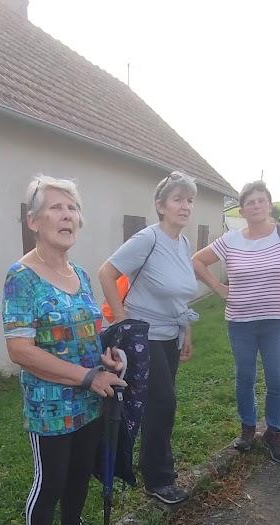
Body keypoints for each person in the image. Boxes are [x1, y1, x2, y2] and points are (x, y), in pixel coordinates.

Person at [3, 174, 126, 525]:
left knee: (78, 475)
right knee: (50, 481)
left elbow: (91, 331)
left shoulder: (79, 273)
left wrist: (106, 357)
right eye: (56, 207)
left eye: (72, 208)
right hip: (50, 405)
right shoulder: (21, 276)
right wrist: (87, 376)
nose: (67, 215)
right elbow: (19, 349)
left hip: (91, 399)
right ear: (33, 220)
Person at [192, 181, 280, 463]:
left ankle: (274, 433)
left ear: (269, 204)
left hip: (275, 320)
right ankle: (248, 428)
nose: (255, 205)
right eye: (250, 202)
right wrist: (220, 289)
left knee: (277, 379)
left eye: (260, 200)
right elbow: (197, 261)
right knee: (245, 378)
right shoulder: (230, 240)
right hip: (240, 321)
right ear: (242, 210)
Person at [99, 170, 200, 505]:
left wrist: (186, 330)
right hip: (144, 337)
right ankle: (159, 479)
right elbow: (107, 273)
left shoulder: (183, 242)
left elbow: (179, 295)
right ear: (161, 205)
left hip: (170, 334)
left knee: (160, 406)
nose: (185, 206)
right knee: (164, 403)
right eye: (177, 199)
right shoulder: (148, 239)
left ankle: (155, 468)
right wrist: (123, 320)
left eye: (189, 200)